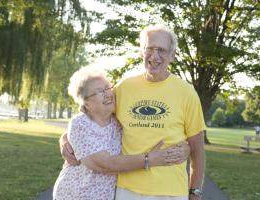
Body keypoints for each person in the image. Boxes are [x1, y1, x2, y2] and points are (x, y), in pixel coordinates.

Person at [61, 24, 206, 200]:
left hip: (170, 192)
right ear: (141, 52)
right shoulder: (124, 88)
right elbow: (93, 113)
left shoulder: (186, 92)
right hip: (126, 190)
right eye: (149, 49)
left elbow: (197, 150)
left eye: (161, 50)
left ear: (172, 55)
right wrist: (65, 138)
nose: (155, 56)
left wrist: (195, 192)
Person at [54, 67, 189, 200]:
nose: (108, 94)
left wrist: (186, 147)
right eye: (100, 91)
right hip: (75, 195)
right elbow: (103, 164)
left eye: (108, 88)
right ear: (87, 103)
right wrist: (149, 159)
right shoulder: (81, 123)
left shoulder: (117, 123)